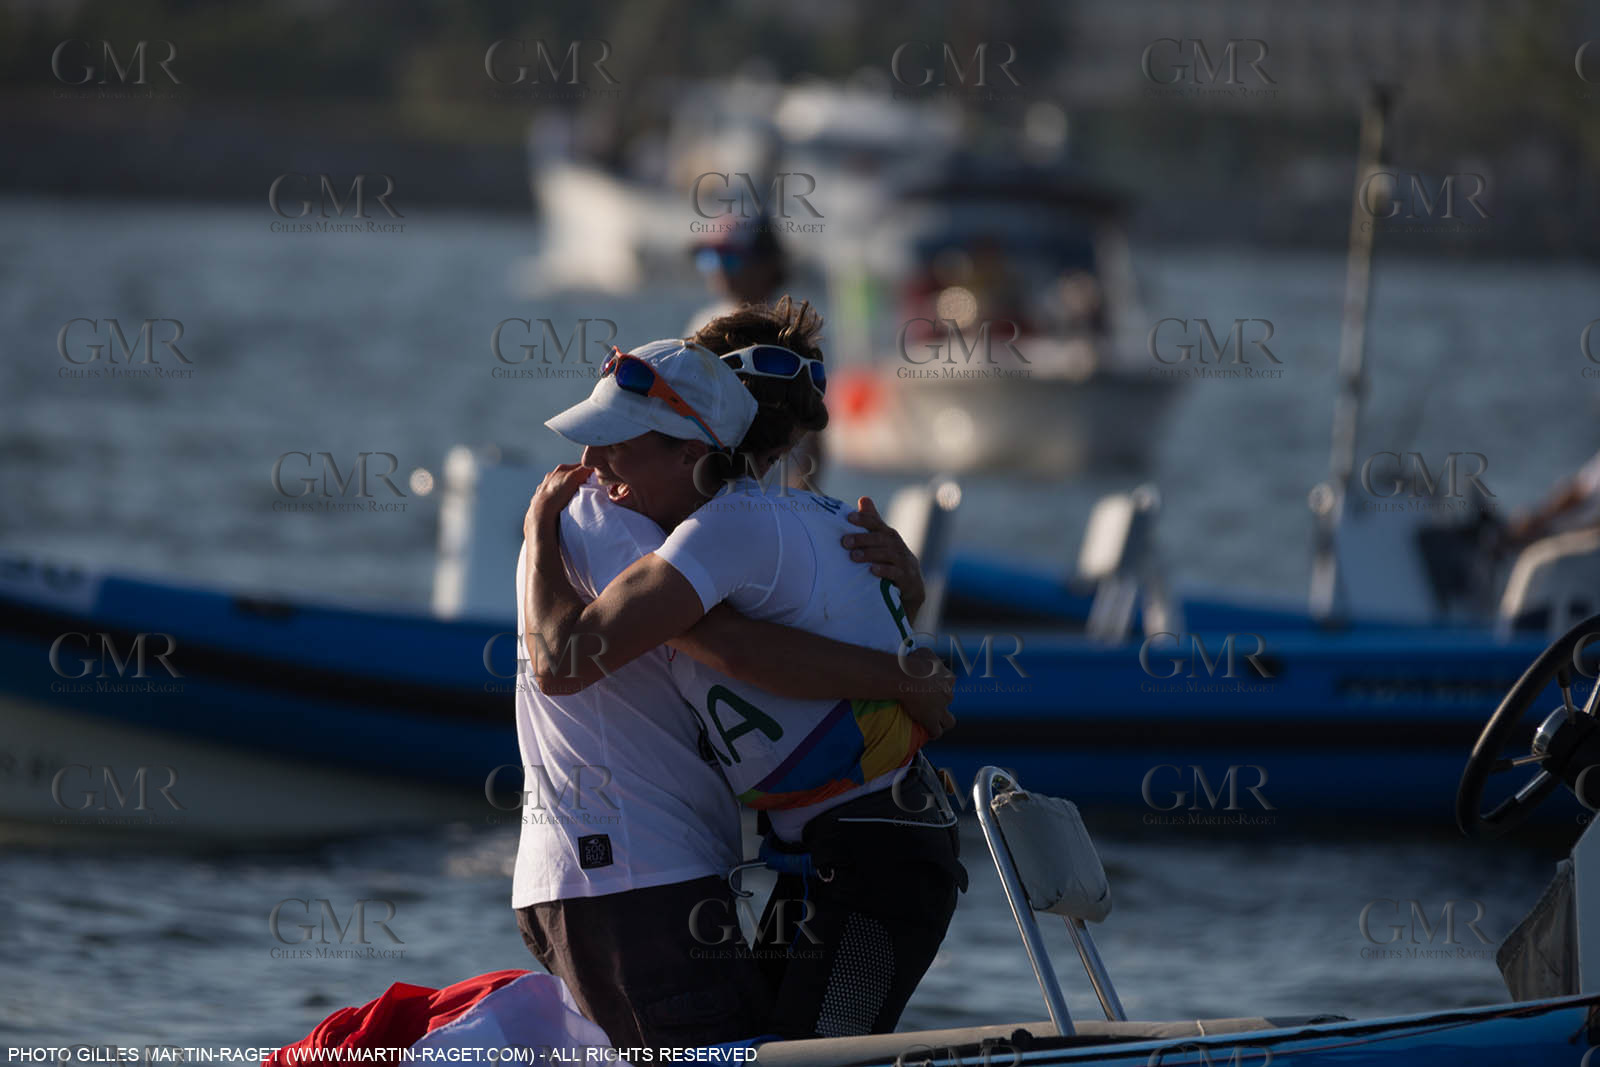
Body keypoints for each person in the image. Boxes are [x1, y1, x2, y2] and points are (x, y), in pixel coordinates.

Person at [524, 302, 967, 1039]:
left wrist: (538, 528)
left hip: (875, 851)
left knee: (809, 1058)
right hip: (837, 846)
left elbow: (578, 658)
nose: (599, 471)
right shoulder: (804, 513)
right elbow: (756, 635)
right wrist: (905, 654)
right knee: (779, 1049)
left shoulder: (724, 527)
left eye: (623, 446)